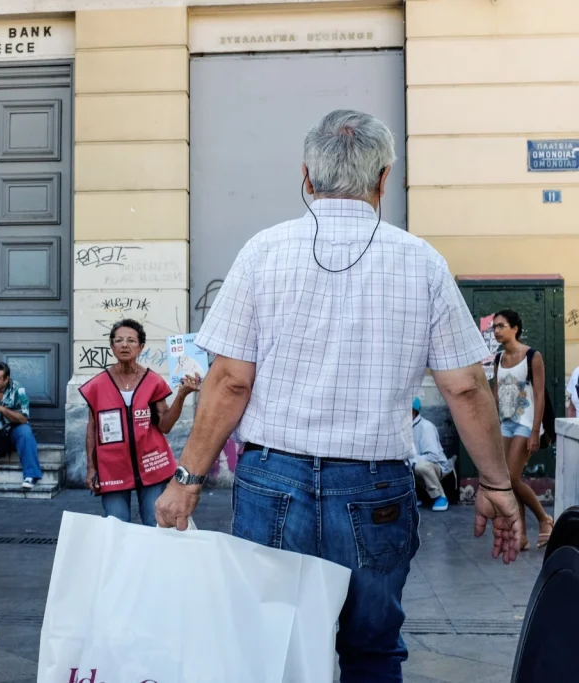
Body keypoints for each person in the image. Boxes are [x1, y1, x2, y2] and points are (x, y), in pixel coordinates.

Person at [155, 110, 522, 683]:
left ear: (306, 176)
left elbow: (229, 380)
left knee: (269, 648)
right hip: (374, 486)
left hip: (272, 480)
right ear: (384, 179)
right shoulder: (422, 261)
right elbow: (467, 387)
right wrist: (497, 483)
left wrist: (187, 479)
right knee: (371, 651)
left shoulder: (262, 251)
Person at [81, 319, 200, 526]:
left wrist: (182, 395)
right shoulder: (97, 385)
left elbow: (165, 425)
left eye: (131, 340)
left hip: (151, 464)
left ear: (141, 347)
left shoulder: (152, 381)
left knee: (155, 525)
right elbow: (92, 428)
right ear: (111, 346)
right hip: (112, 467)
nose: (124, 345)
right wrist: (91, 468)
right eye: (118, 340)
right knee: (116, 527)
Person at [492, 309, 554, 550]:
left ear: (515, 328)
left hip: (526, 423)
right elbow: (496, 394)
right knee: (509, 482)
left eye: (501, 326)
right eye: (494, 327)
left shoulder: (532, 356)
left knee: (512, 478)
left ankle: (544, 519)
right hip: (505, 423)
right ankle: (522, 536)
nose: (497, 331)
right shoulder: (499, 359)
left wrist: (535, 431)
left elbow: (539, 394)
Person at [0, 362, 42, 489]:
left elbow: (23, 418)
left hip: (9, 431)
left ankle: (31, 475)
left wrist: (2, 409)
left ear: (6, 379)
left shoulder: (18, 390)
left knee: (25, 432)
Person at [410, 397, 451, 511]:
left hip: (437, 467)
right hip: (417, 464)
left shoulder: (426, 427)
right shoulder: (406, 427)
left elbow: (433, 457)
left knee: (420, 466)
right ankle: (414, 497)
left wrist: (411, 460)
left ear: (412, 410)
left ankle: (440, 497)